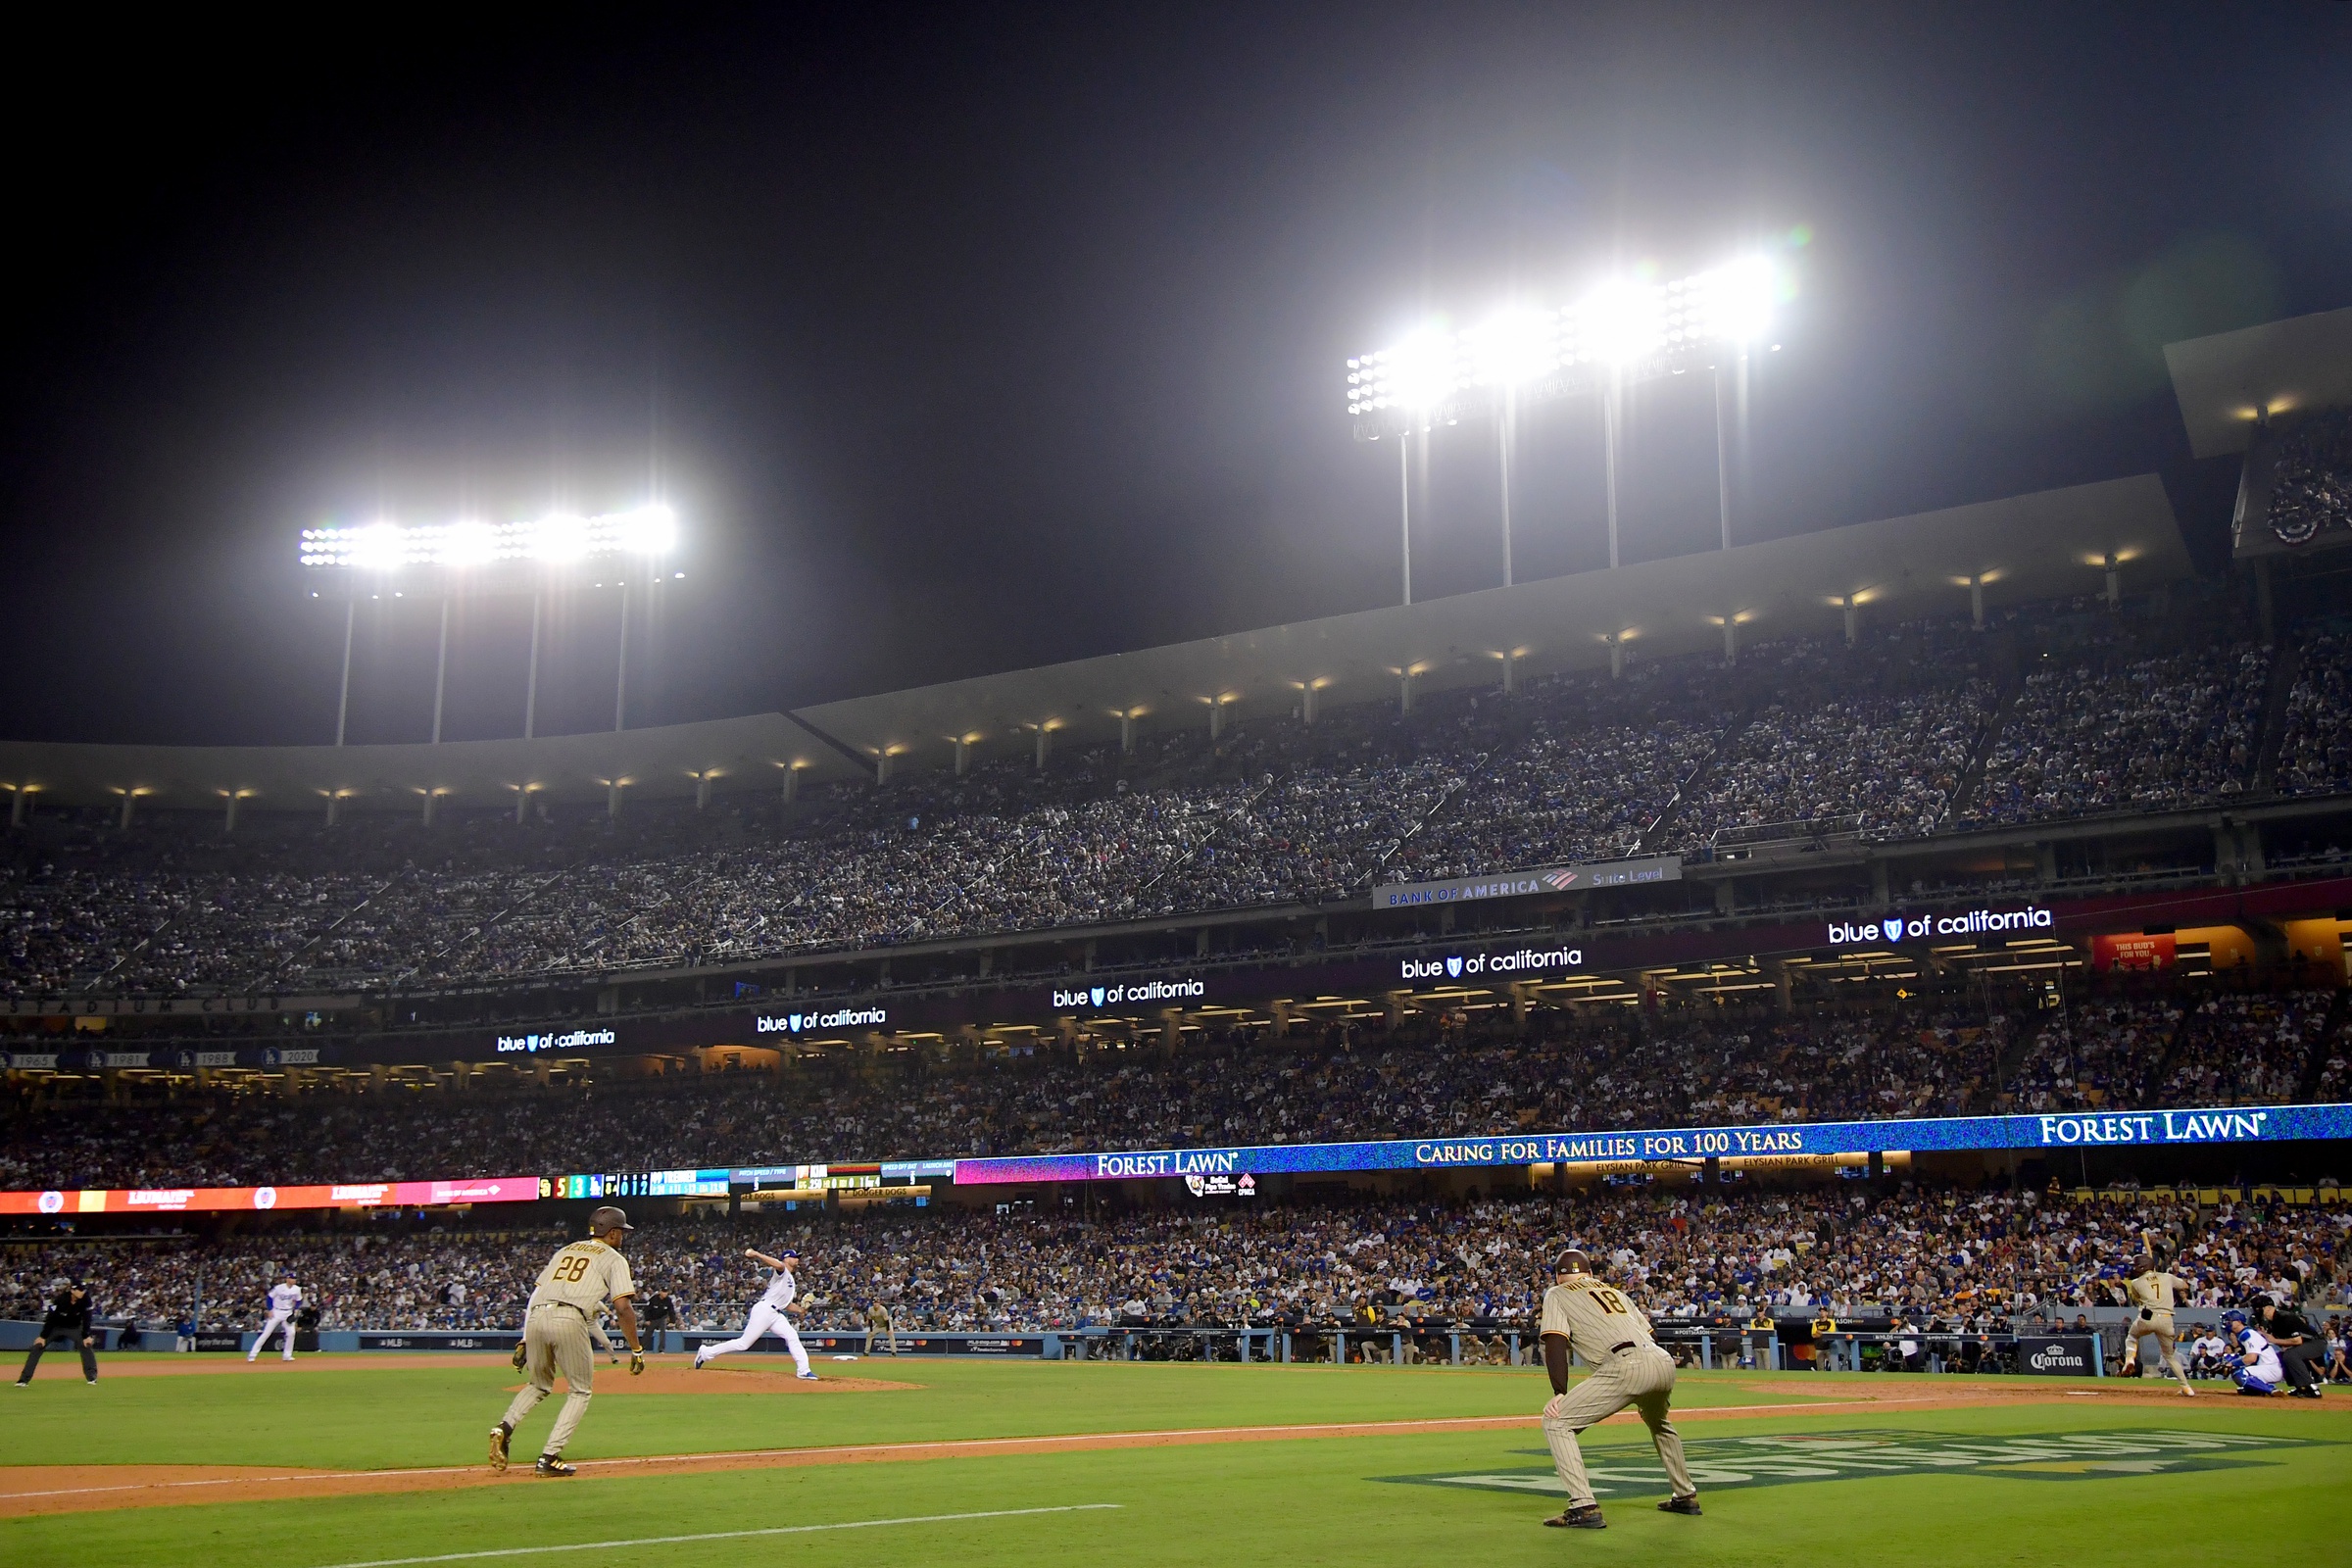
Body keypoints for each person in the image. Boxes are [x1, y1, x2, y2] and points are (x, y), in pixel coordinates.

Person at [1535, 1247, 1700, 1531]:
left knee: (1556, 1421)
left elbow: (1555, 1341)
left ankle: (1583, 1506)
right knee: (1659, 1422)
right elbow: (1651, 1334)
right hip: (1661, 1361)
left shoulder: (1557, 1293)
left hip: (1625, 1364)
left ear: (1558, 1276)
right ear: (1589, 1274)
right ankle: (1685, 1495)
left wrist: (1559, 1391)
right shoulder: (1616, 1293)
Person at [489, 1205, 645, 1477]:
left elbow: (535, 1296)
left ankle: (504, 1428)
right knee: (580, 1390)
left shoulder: (566, 1250)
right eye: (621, 1231)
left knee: (538, 1384)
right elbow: (623, 1308)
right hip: (569, 1317)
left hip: (537, 1317)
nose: (623, 1237)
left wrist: (525, 1339)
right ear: (613, 1233)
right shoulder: (614, 1258)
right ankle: (550, 1456)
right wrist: (636, 1349)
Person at [694, 1246, 816, 1379]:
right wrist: (757, 1254)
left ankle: (804, 1370)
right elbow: (779, 1265)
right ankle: (705, 1352)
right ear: (786, 1259)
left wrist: (800, 1310)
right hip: (764, 1310)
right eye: (794, 1257)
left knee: (792, 1336)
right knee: (743, 1344)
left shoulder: (789, 1279)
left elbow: (785, 1304)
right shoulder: (782, 1271)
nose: (797, 1259)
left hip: (775, 1313)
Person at [2118, 1233, 2194, 1396]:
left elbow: (2137, 1298)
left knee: (2132, 1337)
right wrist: (2165, 1279)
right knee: (2170, 1356)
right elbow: (2185, 1286)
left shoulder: (2136, 1283)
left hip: (2148, 1317)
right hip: (2167, 1319)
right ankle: (2186, 1387)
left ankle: (2130, 1359)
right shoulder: (2167, 1276)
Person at [17, 1283, 99, 1386]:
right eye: (79, 1290)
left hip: (74, 1327)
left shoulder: (86, 1300)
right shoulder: (61, 1299)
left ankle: (92, 1378)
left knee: (86, 1346)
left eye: (83, 1290)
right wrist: (43, 1336)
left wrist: (86, 1336)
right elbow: (50, 1318)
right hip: (56, 1326)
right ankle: (23, 1380)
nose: (82, 1292)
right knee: (38, 1346)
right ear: (72, 1291)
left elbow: (87, 1319)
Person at [2256, 1298, 2324, 1399]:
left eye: (2261, 1309)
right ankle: (2300, 1387)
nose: (2259, 1312)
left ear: (2269, 1308)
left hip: (2316, 1343)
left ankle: (2311, 1387)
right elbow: (2283, 1344)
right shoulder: (2273, 1322)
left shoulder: (2286, 1317)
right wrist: (2266, 1335)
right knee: (2281, 1356)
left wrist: (2274, 1340)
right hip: (2304, 1345)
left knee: (2291, 1355)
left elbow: (2297, 1341)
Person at [2217, 1308, 2287, 1397]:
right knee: (2236, 1371)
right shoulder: (2243, 1334)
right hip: (2265, 1366)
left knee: (2239, 1373)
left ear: (2238, 1322)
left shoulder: (2247, 1334)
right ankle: (2255, 1390)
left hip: (2270, 1368)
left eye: (2229, 1321)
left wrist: (2232, 1363)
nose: (2227, 1323)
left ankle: (2271, 1389)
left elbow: (2251, 1358)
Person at [248, 1274, 303, 1363]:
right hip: (277, 1312)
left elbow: (299, 1300)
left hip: (288, 1312)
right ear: (287, 1279)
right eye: (292, 1278)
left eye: (295, 1278)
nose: (294, 1280)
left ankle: (287, 1355)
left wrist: (296, 1308)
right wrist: (270, 1310)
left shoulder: (297, 1289)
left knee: (291, 1333)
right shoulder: (279, 1288)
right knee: (266, 1333)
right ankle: (252, 1355)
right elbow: (269, 1298)